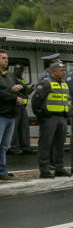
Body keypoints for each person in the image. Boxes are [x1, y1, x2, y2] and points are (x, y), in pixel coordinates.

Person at [30, 60, 71, 178]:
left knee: (60, 144)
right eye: (61, 70)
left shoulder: (63, 83)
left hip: (62, 118)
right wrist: (42, 116)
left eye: (64, 70)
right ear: (53, 71)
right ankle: (44, 170)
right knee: (45, 144)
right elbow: (36, 100)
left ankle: (59, 168)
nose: (64, 72)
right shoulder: (45, 83)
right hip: (49, 118)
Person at [0, 49, 25, 180]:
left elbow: (22, 84)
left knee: (4, 146)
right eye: (3, 58)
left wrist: (19, 87)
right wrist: (14, 98)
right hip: (1, 115)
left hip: (11, 115)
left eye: (7, 58)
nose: (7, 60)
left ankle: (2, 172)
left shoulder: (9, 74)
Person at [10, 64, 34, 155]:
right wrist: (23, 89)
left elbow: (25, 91)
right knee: (15, 128)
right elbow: (15, 89)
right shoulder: (11, 78)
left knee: (24, 127)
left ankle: (26, 147)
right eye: (16, 70)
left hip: (23, 106)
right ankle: (15, 148)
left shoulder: (21, 79)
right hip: (15, 106)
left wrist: (29, 91)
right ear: (14, 70)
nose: (18, 72)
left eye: (20, 71)